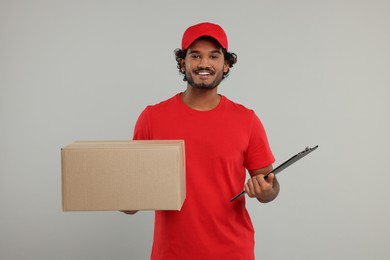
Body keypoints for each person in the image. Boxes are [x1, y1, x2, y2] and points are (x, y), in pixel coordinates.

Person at [124, 22, 280, 260]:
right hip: (172, 253)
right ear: (182, 62)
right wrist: (121, 196)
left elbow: (270, 188)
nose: (204, 64)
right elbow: (130, 200)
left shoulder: (246, 120)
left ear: (226, 64)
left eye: (214, 56)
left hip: (233, 252)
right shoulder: (152, 118)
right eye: (195, 56)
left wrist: (265, 189)